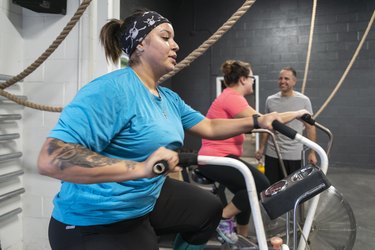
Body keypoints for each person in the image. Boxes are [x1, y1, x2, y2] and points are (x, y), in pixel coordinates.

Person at [37, 10, 285, 250]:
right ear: (140, 45)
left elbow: (209, 126)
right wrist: (141, 168)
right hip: (95, 220)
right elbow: (52, 157)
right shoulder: (111, 90)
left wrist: (257, 121)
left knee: (207, 208)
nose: (176, 45)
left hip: (143, 199)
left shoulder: (168, 98)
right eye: (166, 37)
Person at [197, 60, 311, 243]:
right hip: (214, 159)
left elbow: (260, 122)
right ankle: (219, 219)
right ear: (243, 79)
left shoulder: (232, 97)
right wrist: (298, 113)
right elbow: (268, 120)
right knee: (261, 186)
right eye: (251, 78)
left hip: (219, 158)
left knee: (248, 193)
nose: (252, 82)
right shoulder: (232, 97)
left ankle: (241, 238)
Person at [255, 67, 318, 185]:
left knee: (291, 189)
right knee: (271, 189)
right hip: (273, 153)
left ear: (294, 81)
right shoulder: (270, 100)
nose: (282, 81)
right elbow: (266, 126)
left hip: (294, 154)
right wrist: (262, 147)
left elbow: (310, 127)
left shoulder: (304, 101)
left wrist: (312, 152)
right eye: (280, 78)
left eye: (286, 78)